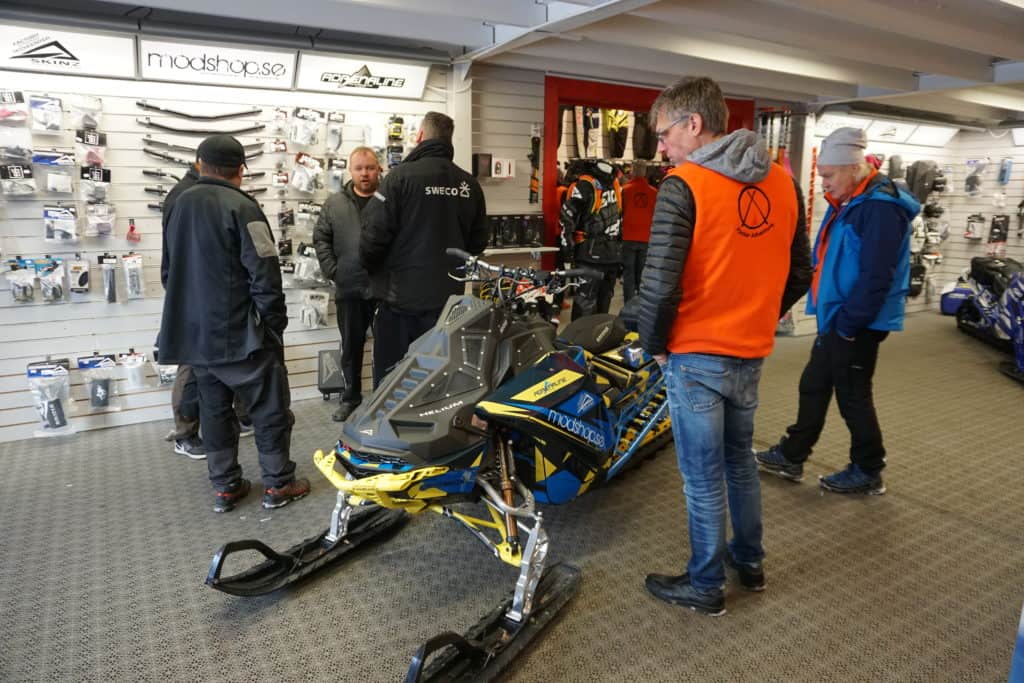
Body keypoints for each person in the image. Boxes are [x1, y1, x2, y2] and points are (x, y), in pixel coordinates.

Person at [637, 76, 812, 616]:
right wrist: (758, 315)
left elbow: (659, 283)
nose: (661, 148)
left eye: (663, 135)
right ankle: (749, 563)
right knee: (739, 461)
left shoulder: (684, 185)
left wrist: (653, 344)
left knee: (702, 476)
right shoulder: (783, 183)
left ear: (693, 124)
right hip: (750, 350)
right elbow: (801, 272)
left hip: (694, 353)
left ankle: (706, 585)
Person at [755, 127, 919, 496]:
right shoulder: (855, 201)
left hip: (856, 321)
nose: (824, 183)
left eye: (828, 175)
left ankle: (868, 469)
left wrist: (847, 325)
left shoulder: (880, 208)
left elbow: (877, 276)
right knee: (815, 383)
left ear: (852, 167)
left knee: (852, 393)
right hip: (841, 316)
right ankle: (792, 454)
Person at [159, 134, 309, 513]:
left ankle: (225, 486)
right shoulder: (245, 208)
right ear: (241, 169)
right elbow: (265, 274)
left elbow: (168, 273)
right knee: (270, 409)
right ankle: (279, 484)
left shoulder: (177, 204)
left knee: (214, 411)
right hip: (242, 336)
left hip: (197, 339)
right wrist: (273, 326)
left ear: (200, 164)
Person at [361, 111, 488, 388]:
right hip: (447, 303)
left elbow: (372, 238)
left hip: (399, 303)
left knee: (391, 383)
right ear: (449, 139)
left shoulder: (399, 178)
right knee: (435, 380)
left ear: (420, 135)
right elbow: (478, 243)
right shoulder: (469, 184)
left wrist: (373, 273)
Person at [159, 160, 251, 458]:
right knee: (192, 365)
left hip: (207, 292)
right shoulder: (186, 196)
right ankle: (185, 433)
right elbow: (177, 251)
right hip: (195, 293)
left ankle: (231, 419)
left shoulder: (200, 193)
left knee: (217, 362)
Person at [314, 146, 381, 422]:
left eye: (370, 168)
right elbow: (321, 239)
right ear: (350, 171)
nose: (365, 174)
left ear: (379, 169)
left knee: (387, 348)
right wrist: (334, 271)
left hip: (384, 289)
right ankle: (350, 398)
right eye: (359, 168)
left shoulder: (391, 200)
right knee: (351, 348)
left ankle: (384, 399)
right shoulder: (334, 204)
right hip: (349, 287)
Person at [559, 158, 623, 320]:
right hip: (601, 254)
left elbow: (567, 216)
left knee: (593, 302)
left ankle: (592, 334)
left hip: (599, 254)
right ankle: (584, 335)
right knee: (593, 302)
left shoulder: (595, 184)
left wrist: (568, 249)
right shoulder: (598, 185)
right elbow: (567, 215)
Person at [620, 161, 657, 302]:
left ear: (632, 171)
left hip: (628, 237)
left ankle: (629, 304)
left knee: (628, 274)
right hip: (646, 238)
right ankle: (642, 304)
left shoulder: (625, 190)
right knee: (643, 274)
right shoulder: (654, 192)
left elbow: (619, 213)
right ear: (645, 172)